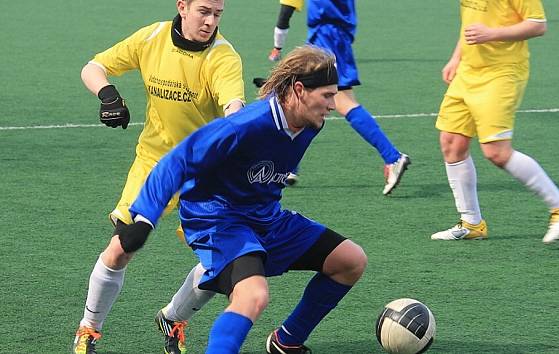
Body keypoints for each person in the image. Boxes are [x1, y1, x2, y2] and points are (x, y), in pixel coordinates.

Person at [115, 45, 367, 354]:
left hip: (265, 217)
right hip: (217, 219)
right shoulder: (245, 126)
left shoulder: (309, 124)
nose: (333, 104)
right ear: (299, 90)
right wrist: (144, 218)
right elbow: (177, 161)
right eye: (327, 96)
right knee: (253, 296)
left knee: (351, 261)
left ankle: (286, 340)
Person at [72, 0, 245, 353]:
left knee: (219, 264)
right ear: (182, 6)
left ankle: (173, 317)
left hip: (205, 173)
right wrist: (108, 95)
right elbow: (93, 67)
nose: (211, 21)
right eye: (204, 11)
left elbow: (233, 107)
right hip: (155, 162)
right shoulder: (152, 37)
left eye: (218, 14)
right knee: (122, 247)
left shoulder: (223, 57)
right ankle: (88, 329)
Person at [430, 0, 559, 244]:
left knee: (496, 152)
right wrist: (456, 57)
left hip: (501, 73)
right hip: (468, 70)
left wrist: (492, 34)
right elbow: (471, 24)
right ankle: (471, 223)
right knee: (451, 142)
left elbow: (538, 25)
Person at [270, 0, 410, 194]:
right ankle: (290, 168)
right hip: (339, 36)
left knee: (332, 102)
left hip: (325, 38)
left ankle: (392, 157)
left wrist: (277, 45)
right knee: (306, 101)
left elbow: (287, 9)